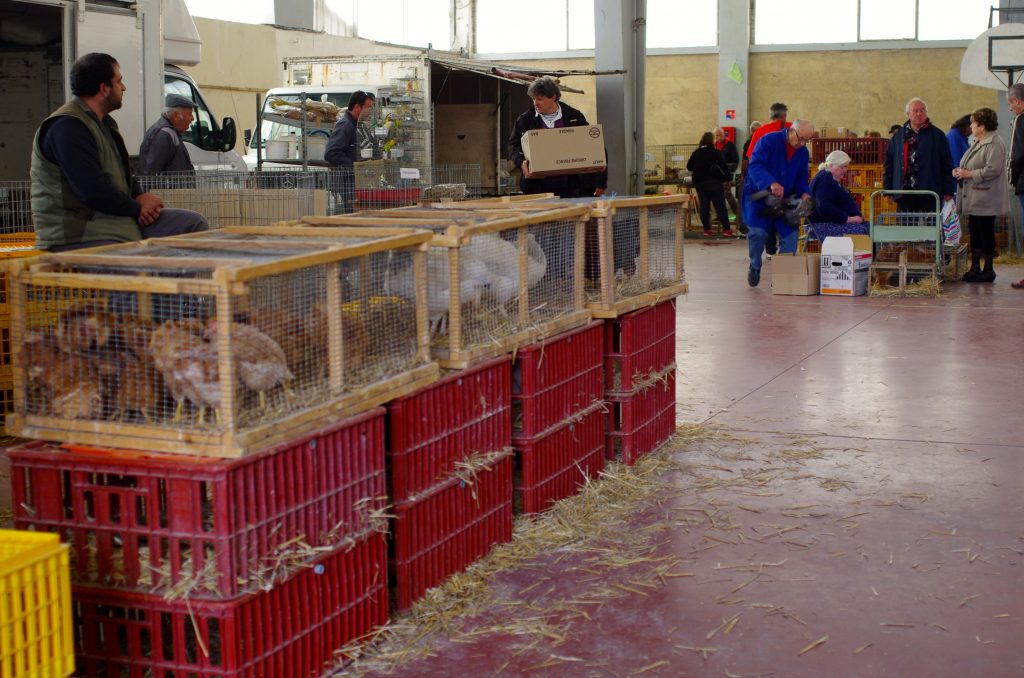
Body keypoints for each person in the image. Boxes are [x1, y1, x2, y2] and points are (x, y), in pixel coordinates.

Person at [30, 52, 208, 252]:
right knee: (142, 265)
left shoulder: (103, 125)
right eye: (119, 81)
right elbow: (92, 190)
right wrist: (137, 207)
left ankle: (177, 283)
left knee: (193, 224)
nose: (123, 87)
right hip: (80, 237)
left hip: (118, 224)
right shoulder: (67, 127)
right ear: (104, 88)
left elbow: (123, 180)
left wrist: (141, 198)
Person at [742, 119, 815, 287]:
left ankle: (782, 277)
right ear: (791, 131)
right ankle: (754, 265)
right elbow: (755, 166)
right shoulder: (769, 141)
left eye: (807, 141)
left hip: (785, 200)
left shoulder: (802, 153)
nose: (803, 144)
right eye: (801, 138)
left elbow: (802, 177)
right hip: (759, 197)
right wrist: (771, 183)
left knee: (790, 236)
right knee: (758, 233)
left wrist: (804, 194)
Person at [507, 76, 607, 198]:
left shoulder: (574, 117)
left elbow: (593, 144)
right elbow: (513, 146)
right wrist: (521, 162)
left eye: (540, 99)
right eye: (533, 99)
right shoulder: (525, 120)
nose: (535, 103)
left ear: (553, 97)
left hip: (572, 188)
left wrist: (600, 183)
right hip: (537, 189)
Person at [952, 108, 1006, 283]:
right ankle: (975, 266)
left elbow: (993, 169)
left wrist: (969, 174)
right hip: (975, 196)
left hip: (986, 197)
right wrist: (960, 171)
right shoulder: (978, 141)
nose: (971, 126)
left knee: (986, 232)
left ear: (982, 126)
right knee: (975, 231)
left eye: (973, 123)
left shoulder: (995, 143)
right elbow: (969, 163)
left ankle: (988, 268)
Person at [883, 98, 954, 212]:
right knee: (906, 228)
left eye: (922, 110)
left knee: (930, 228)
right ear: (908, 114)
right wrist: (888, 191)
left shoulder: (937, 135)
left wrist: (948, 191)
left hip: (930, 192)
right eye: (915, 111)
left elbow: (947, 164)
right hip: (905, 192)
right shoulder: (898, 136)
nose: (919, 113)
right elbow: (889, 164)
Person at [325, 90, 373, 212]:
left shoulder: (358, 126)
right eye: (368, 108)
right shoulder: (345, 125)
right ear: (357, 107)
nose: (370, 112)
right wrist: (355, 166)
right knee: (354, 216)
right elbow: (331, 153)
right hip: (348, 184)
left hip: (358, 183)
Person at [808, 150, 866, 240]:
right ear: (831, 165)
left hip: (828, 223)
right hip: (821, 226)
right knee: (863, 230)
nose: (845, 170)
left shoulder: (829, 178)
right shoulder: (825, 180)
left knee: (872, 229)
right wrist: (848, 218)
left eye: (846, 167)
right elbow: (824, 207)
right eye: (842, 167)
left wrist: (856, 215)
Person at [136, 93, 195, 178]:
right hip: (166, 191)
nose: (192, 119)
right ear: (176, 115)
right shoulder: (163, 134)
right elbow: (151, 175)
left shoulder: (169, 132)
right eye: (189, 114)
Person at [687, 132, 732, 238]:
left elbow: (689, 167)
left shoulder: (696, 152)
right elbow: (723, 165)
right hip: (714, 182)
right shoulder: (715, 152)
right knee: (720, 206)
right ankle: (727, 230)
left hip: (699, 183)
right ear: (712, 141)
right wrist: (728, 178)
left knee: (704, 206)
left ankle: (707, 230)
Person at [1006, 84, 1024, 289]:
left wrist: (1012, 179)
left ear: (1017, 101)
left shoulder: (1020, 120)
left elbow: (1017, 155)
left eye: (1010, 103)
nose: (1010, 108)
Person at [713, 126, 741, 230]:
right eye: (716, 135)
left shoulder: (729, 145)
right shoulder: (714, 145)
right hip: (716, 175)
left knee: (727, 194)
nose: (718, 137)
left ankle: (738, 215)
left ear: (724, 135)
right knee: (716, 195)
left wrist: (727, 169)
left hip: (726, 174)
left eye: (720, 135)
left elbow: (735, 160)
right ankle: (718, 216)